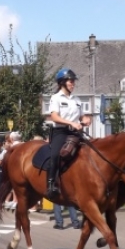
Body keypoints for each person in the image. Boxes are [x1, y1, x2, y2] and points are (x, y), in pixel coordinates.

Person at [47, 68, 92, 198]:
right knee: (55, 155)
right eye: (71, 81)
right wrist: (71, 123)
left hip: (75, 133)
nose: (73, 84)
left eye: (73, 81)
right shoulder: (55, 98)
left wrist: (86, 120)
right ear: (62, 82)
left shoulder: (76, 99)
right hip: (60, 132)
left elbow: (81, 116)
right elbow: (54, 117)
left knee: (90, 151)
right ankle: (51, 184)